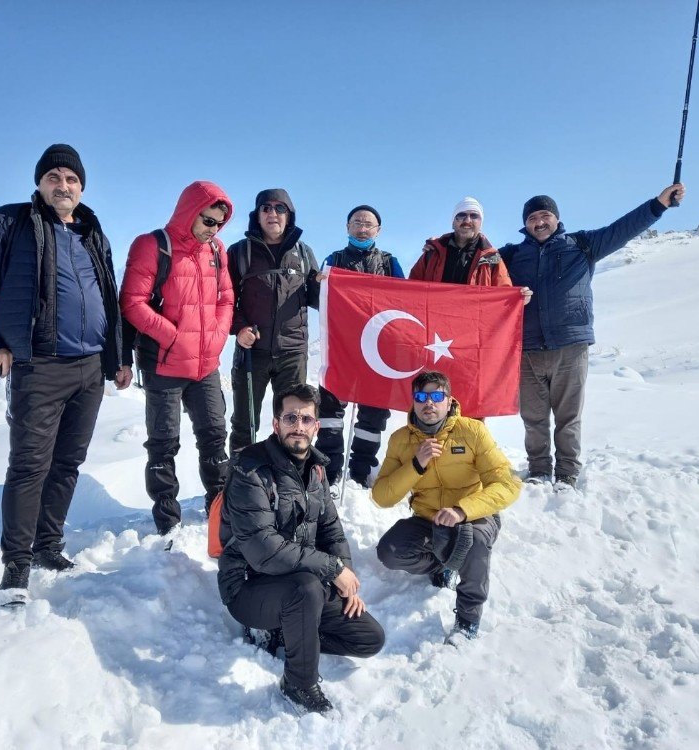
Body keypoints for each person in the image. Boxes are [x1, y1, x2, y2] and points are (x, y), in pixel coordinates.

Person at [0, 144, 132, 596]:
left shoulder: (93, 233)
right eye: (53, 176)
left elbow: (108, 298)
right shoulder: (9, 224)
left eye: (71, 179)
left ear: (82, 186)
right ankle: (16, 562)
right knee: (30, 465)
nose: (63, 185)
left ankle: (49, 544)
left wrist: (118, 358)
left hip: (90, 368)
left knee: (68, 462)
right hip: (40, 366)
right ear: (39, 183)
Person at [498, 184, 686, 488]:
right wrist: (437, 246)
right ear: (525, 224)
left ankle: (567, 473)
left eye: (545, 215)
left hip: (571, 347)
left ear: (557, 219)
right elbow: (474, 259)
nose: (540, 221)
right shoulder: (511, 256)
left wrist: (659, 204)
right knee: (533, 419)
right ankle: (539, 470)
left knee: (568, 418)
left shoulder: (582, 244)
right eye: (533, 217)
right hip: (528, 350)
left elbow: (623, 228)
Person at [217, 383, 385, 714]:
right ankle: (299, 682)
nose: (299, 426)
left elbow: (331, 530)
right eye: (290, 417)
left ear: (316, 426)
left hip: (302, 584)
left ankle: (287, 634)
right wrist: (333, 570)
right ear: (276, 424)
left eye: (306, 419)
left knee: (369, 638)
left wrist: (346, 574)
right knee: (306, 589)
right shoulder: (250, 471)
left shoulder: (317, 470)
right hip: (249, 587)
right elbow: (264, 549)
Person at [120, 181, 234, 535]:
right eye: (207, 220)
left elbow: (226, 298)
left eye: (218, 223)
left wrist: (215, 336)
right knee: (163, 443)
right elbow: (132, 302)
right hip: (165, 364)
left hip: (205, 365)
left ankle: (219, 514)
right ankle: (167, 522)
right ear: (188, 211)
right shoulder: (152, 246)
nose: (212, 229)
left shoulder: (216, 250)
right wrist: (173, 336)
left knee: (215, 437)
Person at [373, 371, 520, 642]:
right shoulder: (400, 440)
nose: (429, 403)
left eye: (436, 396)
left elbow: (509, 484)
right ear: (413, 401)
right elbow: (382, 497)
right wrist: (416, 465)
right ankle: (442, 566)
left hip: (473, 516)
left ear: (449, 400)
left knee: (473, 542)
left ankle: (467, 621)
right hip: (429, 518)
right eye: (421, 396)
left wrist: (463, 510)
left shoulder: (473, 431)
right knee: (390, 552)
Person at [315, 205, 404, 489]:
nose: (362, 228)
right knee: (329, 410)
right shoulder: (334, 259)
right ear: (347, 227)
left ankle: (362, 468)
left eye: (368, 223)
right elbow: (321, 299)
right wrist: (321, 283)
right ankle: (329, 470)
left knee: (374, 412)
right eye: (357, 222)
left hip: (378, 351)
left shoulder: (390, 262)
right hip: (341, 347)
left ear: (378, 229)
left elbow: (405, 300)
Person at [226, 189, 320, 454]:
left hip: (292, 354)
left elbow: (317, 301)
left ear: (289, 216)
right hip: (251, 352)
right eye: (266, 208)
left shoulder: (303, 252)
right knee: (245, 423)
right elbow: (225, 300)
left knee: (293, 423)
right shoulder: (240, 252)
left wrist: (321, 286)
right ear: (257, 215)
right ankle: (241, 481)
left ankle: (288, 481)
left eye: (280, 208)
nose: (273, 214)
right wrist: (240, 327)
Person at [409, 197, 513, 287]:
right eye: (461, 215)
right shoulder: (432, 252)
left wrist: (520, 297)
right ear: (453, 223)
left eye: (474, 216)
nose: (467, 221)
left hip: (472, 311)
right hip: (434, 310)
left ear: (481, 224)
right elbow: (411, 287)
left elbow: (504, 293)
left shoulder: (492, 258)